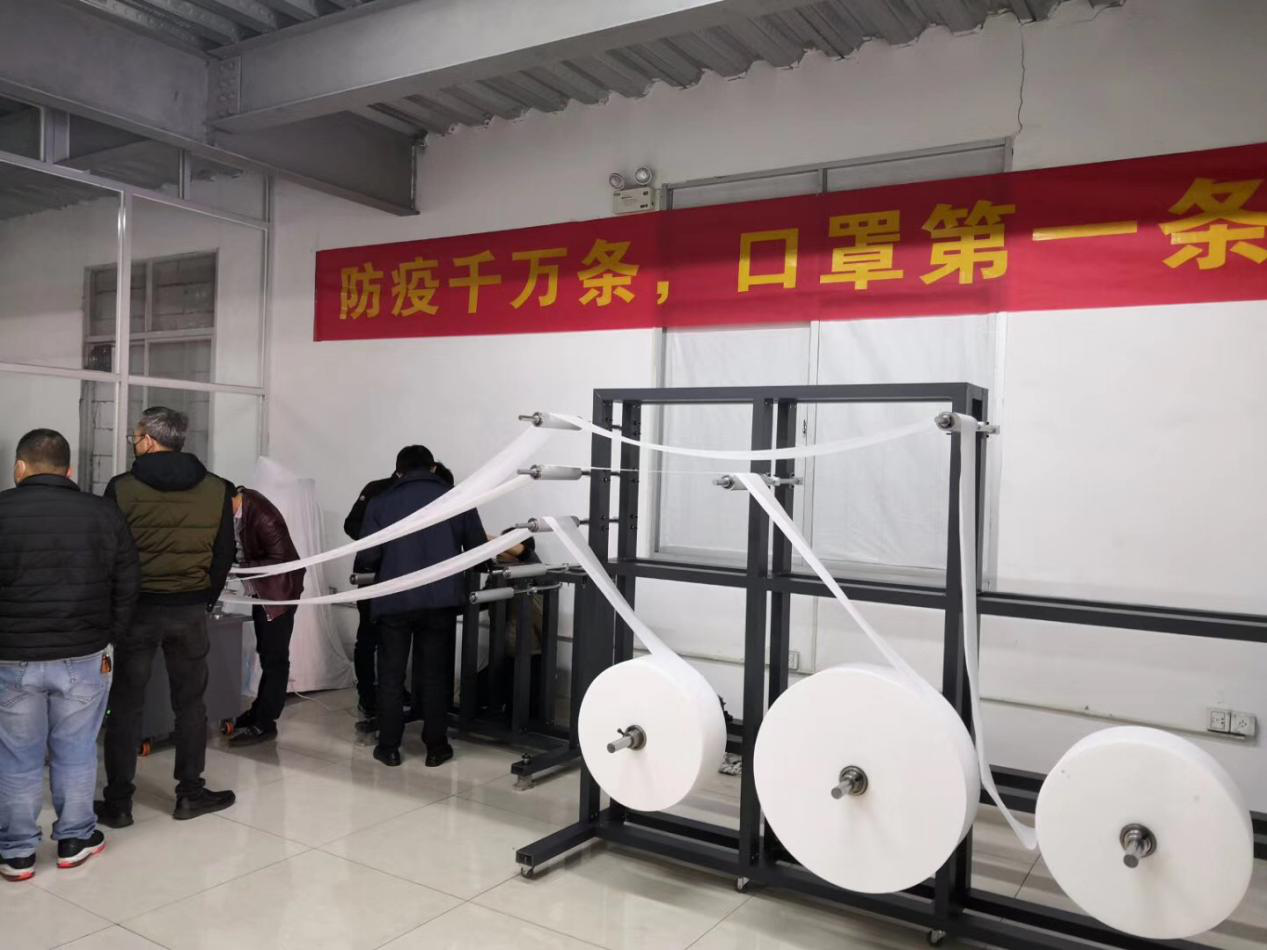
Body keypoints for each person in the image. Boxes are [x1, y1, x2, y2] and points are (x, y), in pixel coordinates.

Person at [0, 430, 139, 881]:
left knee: (16, 756)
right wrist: (109, 636)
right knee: (76, 750)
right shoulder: (103, 513)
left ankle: (17, 852)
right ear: (69, 470)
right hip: (84, 654)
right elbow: (127, 584)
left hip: (12, 657)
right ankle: (75, 840)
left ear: (20, 467)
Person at [96, 407, 237, 827]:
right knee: (190, 704)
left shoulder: (121, 488)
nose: (134, 443)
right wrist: (204, 598)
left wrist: (118, 604)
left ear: (149, 440)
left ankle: (119, 802)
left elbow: (108, 554)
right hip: (189, 609)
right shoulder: (217, 488)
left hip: (137, 611)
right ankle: (190, 793)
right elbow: (224, 554)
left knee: (126, 706)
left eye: (135, 437)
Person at [354, 445, 485, 768]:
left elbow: (368, 555)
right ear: (433, 468)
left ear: (399, 471)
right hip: (440, 600)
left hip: (395, 600)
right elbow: (478, 550)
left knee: (391, 675)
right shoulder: (458, 499)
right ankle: (436, 746)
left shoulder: (381, 502)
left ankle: (389, 746)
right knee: (436, 674)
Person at [343, 446, 446, 732]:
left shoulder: (432, 492)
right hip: (374, 576)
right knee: (369, 638)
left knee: (399, 647)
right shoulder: (378, 491)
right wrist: (385, 543)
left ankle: (397, 699)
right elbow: (352, 525)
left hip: (412, 580)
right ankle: (368, 697)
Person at [227, 487, 304, 747]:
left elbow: (280, 560)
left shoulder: (263, 515)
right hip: (263, 592)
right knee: (266, 652)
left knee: (275, 657)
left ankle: (266, 722)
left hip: (279, 593)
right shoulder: (240, 511)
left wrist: (239, 569)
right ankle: (259, 710)